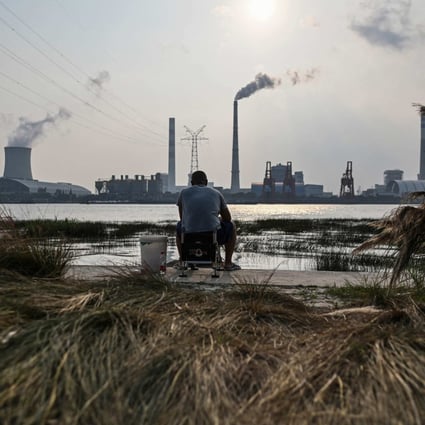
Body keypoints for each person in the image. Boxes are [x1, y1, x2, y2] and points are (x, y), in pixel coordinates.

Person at [176, 170, 240, 271]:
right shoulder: (216, 193)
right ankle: (228, 263)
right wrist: (217, 219)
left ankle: (182, 261)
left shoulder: (183, 193)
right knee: (231, 226)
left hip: (189, 236)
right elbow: (228, 218)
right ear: (206, 182)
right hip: (213, 235)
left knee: (179, 226)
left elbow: (182, 218)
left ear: (191, 183)